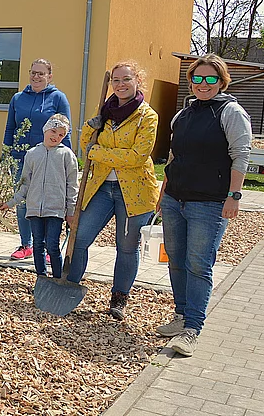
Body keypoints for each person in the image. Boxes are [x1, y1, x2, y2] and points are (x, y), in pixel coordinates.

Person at [157, 55, 251, 357]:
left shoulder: (230, 112)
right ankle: (181, 315)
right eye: (197, 78)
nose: (203, 84)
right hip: (175, 200)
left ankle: (192, 328)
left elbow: (241, 154)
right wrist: (164, 191)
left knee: (199, 264)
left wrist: (234, 196)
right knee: (175, 258)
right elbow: (174, 156)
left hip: (209, 204)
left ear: (222, 81)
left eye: (211, 79)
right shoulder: (183, 114)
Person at [66, 61, 160, 321]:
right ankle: (69, 286)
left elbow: (138, 156)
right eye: (116, 80)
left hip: (135, 192)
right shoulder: (103, 113)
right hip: (101, 187)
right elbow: (86, 143)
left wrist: (99, 153)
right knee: (80, 236)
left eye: (126, 79)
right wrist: (90, 129)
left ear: (137, 81)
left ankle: (119, 298)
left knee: (127, 247)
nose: (120, 84)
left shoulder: (147, 116)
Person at [3, 59, 72, 261]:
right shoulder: (17, 98)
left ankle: (51, 247)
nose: (36, 77)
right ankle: (26, 244)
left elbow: (65, 130)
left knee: (51, 203)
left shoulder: (58, 98)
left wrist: (65, 158)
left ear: (49, 76)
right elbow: (10, 129)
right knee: (24, 201)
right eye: (33, 72)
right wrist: (7, 155)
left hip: (51, 160)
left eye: (41, 74)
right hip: (21, 159)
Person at [0, 114, 78, 278]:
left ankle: (58, 278)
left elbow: (72, 186)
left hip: (55, 210)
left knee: (52, 246)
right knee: (37, 244)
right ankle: (41, 278)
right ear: (45, 129)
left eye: (61, 135)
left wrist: (71, 211)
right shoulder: (32, 154)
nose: (56, 136)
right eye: (54, 131)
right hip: (35, 208)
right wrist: (11, 202)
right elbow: (25, 184)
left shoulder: (67, 155)